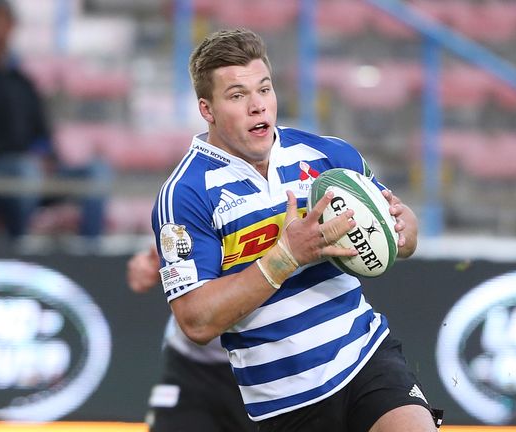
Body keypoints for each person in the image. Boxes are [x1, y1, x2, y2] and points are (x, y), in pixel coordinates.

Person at [151, 28, 442, 431]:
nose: (258, 107)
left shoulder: (327, 154)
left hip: (366, 357)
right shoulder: (185, 194)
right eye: (237, 96)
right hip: (284, 400)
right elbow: (197, 321)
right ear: (208, 108)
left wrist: (405, 231)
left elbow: (394, 231)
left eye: (264, 90)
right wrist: (286, 257)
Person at [0, 0, 111, 242]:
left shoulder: (22, 82)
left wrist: (47, 157)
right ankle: (21, 249)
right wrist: (20, 156)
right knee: (24, 171)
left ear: (12, 27)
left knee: (96, 172)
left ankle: (90, 251)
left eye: (1, 22)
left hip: (32, 173)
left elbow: (42, 133)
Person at [127, 246, 257, 432]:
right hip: (191, 365)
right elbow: (167, 246)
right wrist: (156, 263)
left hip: (257, 363)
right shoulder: (188, 217)